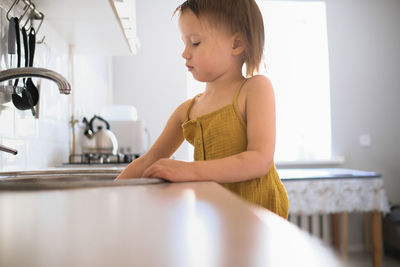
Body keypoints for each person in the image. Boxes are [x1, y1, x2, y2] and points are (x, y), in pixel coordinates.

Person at [116, 0, 289, 219]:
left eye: (195, 43)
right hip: (217, 220)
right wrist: (110, 193)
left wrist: (189, 170)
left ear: (236, 44)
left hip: (260, 218)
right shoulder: (187, 111)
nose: (185, 53)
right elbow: (149, 161)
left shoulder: (255, 89)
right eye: (184, 43)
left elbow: (259, 160)